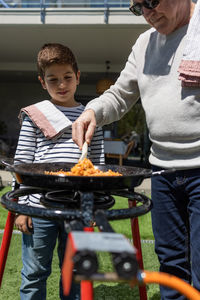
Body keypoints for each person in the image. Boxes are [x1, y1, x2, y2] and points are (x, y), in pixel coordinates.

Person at [72, 1, 200, 299]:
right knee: (170, 262)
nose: (148, 13)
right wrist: (93, 111)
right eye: (138, 7)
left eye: (152, 1)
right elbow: (119, 95)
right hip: (163, 171)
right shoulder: (145, 44)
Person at [14, 43, 104, 300]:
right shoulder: (35, 115)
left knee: (74, 271)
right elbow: (22, 162)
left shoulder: (91, 116)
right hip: (38, 206)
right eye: (53, 79)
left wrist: (94, 205)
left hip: (77, 207)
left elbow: (96, 163)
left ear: (78, 76)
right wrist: (21, 206)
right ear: (43, 82)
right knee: (34, 272)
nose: (61, 85)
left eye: (67, 77)